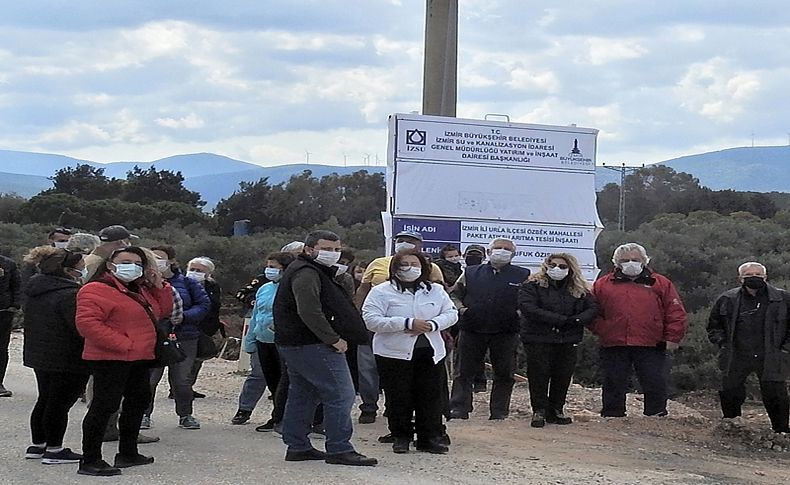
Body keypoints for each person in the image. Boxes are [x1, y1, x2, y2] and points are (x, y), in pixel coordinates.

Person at [273, 230, 376, 466]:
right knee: (341, 393)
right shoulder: (306, 272)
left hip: (296, 343)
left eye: (337, 249)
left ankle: (298, 445)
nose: (333, 254)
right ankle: (339, 448)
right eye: (327, 249)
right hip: (312, 344)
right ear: (309, 249)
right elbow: (308, 310)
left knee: (304, 393)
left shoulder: (309, 270)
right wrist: (332, 339)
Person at [75, 246, 173, 476]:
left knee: (137, 402)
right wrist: (124, 344)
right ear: (110, 265)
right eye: (126, 261)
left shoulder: (137, 290)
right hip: (111, 358)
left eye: (138, 263)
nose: (133, 266)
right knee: (103, 407)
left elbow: (161, 311)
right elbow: (88, 324)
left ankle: (128, 452)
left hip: (139, 357)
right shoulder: (95, 289)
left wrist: (159, 286)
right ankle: (90, 459)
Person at [362, 249, 458, 454]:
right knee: (398, 396)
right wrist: (405, 323)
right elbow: (371, 320)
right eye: (404, 264)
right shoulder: (381, 291)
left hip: (430, 352)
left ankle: (428, 438)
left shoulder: (435, 291)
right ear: (394, 268)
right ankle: (401, 436)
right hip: (393, 354)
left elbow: (451, 313)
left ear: (424, 267)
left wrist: (433, 324)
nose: (409, 268)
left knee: (430, 396)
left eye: (415, 264)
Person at [353, 230, 445, 424]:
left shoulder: (433, 275)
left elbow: (446, 308)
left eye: (410, 241)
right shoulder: (377, 267)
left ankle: (427, 431)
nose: (404, 243)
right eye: (400, 240)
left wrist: (433, 324)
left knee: (425, 389)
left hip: (426, 341)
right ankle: (371, 408)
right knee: (373, 372)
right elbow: (363, 291)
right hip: (386, 337)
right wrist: (357, 316)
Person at [590, 243, 688, 418]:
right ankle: (612, 415)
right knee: (613, 380)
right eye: (625, 260)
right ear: (616, 263)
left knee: (655, 380)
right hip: (614, 341)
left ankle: (656, 413)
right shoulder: (602, 284)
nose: (630, 263)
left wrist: (673, 337)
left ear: (644, 261)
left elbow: (675, 311)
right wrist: (602, 329)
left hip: (652, 342)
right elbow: (591, 312)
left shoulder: (661, 283)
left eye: (635, 260)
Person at [449, 238, 530, 420]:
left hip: (506, 331)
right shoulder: (470, 273)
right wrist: (462, 310)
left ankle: (499, 412)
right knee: (463, 371)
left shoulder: (523, 275)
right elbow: (454, 294)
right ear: (488, 252)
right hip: (472, 328)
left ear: (513, 254)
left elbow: (528, 300)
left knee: (505, 373)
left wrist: (518, 313)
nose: (501, 251)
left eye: (506, 249)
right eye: (498, 248)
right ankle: (459, 408)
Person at [22, 247, 88, 464]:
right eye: (81, 267)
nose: (84, 269)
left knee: (46, 398)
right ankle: (55, 449)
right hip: (66, 356)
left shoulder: (36, 289)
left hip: (39, 353)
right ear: (68, 270)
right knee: (60, 403)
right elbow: (78, 327)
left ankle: (38, 444)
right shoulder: (69, 294)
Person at [707, 262, 790, 433]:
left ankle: (781, 431)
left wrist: (785, 348)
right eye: (749, 275)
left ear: (765, 277)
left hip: (771, 354)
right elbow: (714, 325)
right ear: (740, 278)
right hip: (737, 353)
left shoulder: (783, 299)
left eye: (758, 275)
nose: (754, 278)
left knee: (776, 394)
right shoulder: (727, 299)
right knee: (730, 390)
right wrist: (723, 343)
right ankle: (731, 427)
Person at [518, 253, 598, 428]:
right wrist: (557, 319)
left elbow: (592, 309)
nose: (556, 269)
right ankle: (538, 410)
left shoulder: (580, 289)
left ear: (570, 269)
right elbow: (528, 307)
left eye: (562, 266)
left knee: (562, 375)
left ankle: (556, 410)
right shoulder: (533, 285)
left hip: (568, 338)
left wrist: (576, 320)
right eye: (552, 265)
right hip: (538, 337)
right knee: (538, 374)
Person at [145, 245, 210, 430]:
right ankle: (144, 414)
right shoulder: (142, 283)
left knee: (182, 379)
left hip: (185, 336)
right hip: (153, 336)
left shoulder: (188, 283)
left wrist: (185, 317)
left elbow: (203, 305)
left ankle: (185, 414)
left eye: (160, 257)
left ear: (172, 261)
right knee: (150, 379)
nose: (156, 261)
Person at [236, 251, 294, 430]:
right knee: (271, 381)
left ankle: (283, 418)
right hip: (263, 341)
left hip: (283, 342)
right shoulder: (264, 288)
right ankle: (276, 416)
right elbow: (256, 315)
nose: (268, 270)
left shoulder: (291, 287)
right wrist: (250, 340)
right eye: (268, 267)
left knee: (287, 383)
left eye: (273, 267)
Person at [185, 256, 224, 396]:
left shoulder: (213, 286)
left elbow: (215, 306)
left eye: (199, 270)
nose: (195, 272)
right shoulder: (182, 284)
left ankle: (188, 387)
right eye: (192, 269)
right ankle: (179, 388)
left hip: (205, 328)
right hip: (185, 327)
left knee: (198, 359)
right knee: (184, 361)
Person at [0, 251, 21, 398]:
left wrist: (14, 305)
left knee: (1, 348)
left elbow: (17, 286)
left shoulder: (8, 264)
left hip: (3, 311)